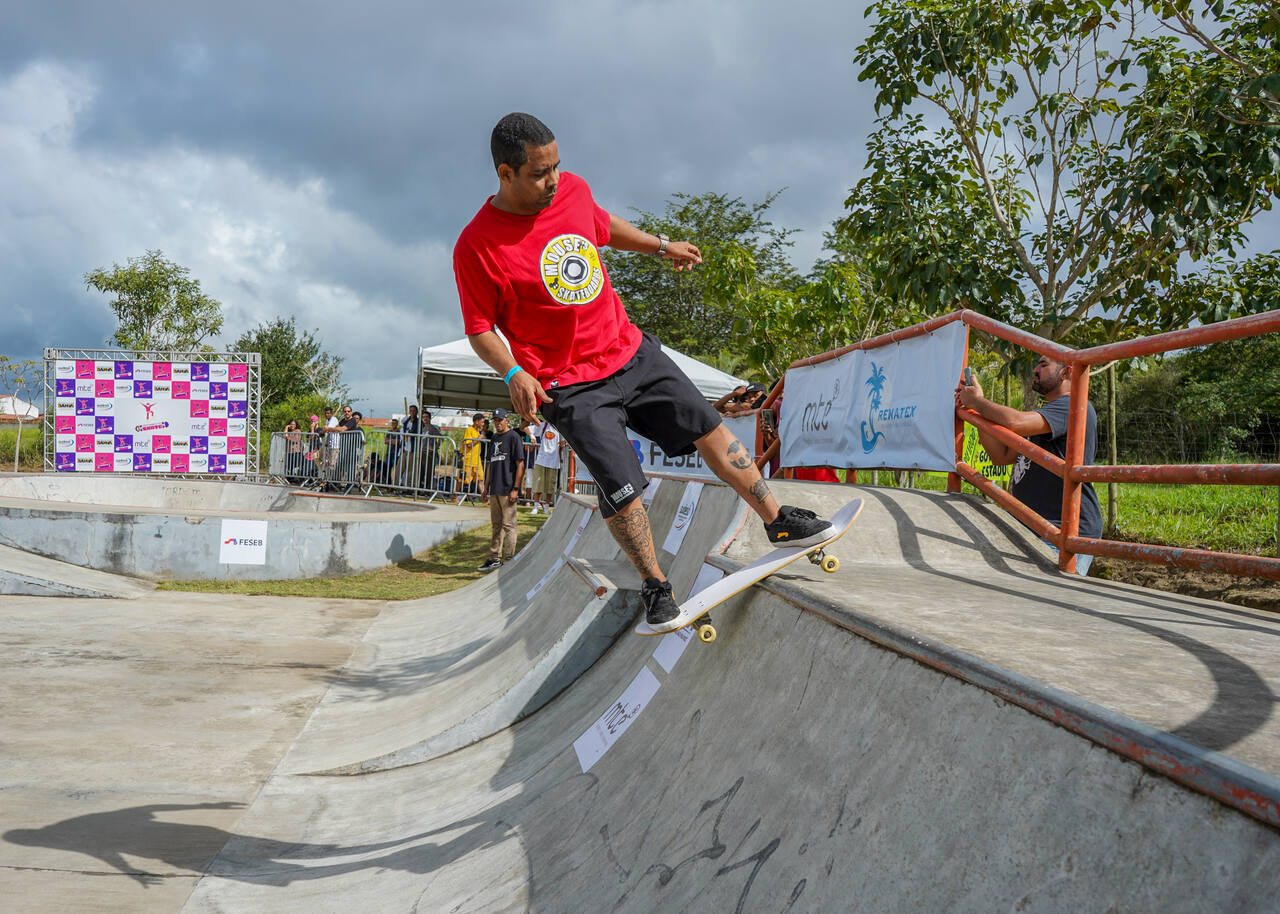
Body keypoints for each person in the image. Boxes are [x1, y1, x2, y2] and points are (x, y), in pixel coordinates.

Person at [453, 112, 835, 629]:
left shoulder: (572, 192)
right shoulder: (477, 245)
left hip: (629, 351)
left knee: (709, 427)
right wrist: (512, 373)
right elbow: (479, 328)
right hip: (569, 384)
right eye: (540, 173)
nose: (553, 182)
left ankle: (777, 521)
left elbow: (602, 225)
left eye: (557, 167)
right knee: (621, 485)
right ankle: (656, 586)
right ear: (505, 173)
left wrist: (660, 245)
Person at [956, 355, 1102, 575]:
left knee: (1051, 600)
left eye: (1044, 364)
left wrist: (977, 402)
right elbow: (1002, 456)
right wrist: (976, 413)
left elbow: (1016, 422)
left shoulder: (1073, 406)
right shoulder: (1046, 415)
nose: (1035, 369)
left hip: (1063, 528)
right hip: (1036, 526)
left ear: (1067, 372)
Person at [478, 408, 525, 571]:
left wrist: (516, 488)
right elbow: (491, 464)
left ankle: (509, 560)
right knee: (496, 525)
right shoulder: (495, 438)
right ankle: (494, 558)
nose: (497, 423)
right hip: (495, 489)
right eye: (495, 420)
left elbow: (520, 464)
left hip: (508, 488)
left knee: (509, 525)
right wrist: (485, 487)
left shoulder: (514, 437)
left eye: (500, 420)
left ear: (506, 420)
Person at [530, 417, 562, 514]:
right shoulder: (544, 425)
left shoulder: (561, 428)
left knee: (550, 486)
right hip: (541, 460)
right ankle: (536, 506)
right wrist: (532, 436)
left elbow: (566, 440)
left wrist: (564, 442)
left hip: (553, 461)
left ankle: (546, 507)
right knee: (538, 484)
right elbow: (528, 428)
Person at [396, 404, 422, 488]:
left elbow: (417, 433)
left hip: (412, 449)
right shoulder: (406, 421)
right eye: (411, 411)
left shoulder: (419, 422)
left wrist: (410, 434)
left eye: (414, 411)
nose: (412, 412)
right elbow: (402, 433)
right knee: (399, 468)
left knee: (410, 470)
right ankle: (395, 485)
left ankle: (407, 487)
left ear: (417, 412)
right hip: (404, 448)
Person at [461, 412, 486, 496]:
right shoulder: (469, 430)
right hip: (468, 459)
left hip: (476, 460)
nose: (483, 424)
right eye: (482, 422)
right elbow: (468, 445)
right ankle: (454, 496)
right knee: (463, 479)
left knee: (480, 479)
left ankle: (484, 498)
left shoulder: (478, 431)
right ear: (476, 422)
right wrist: (478, 439)